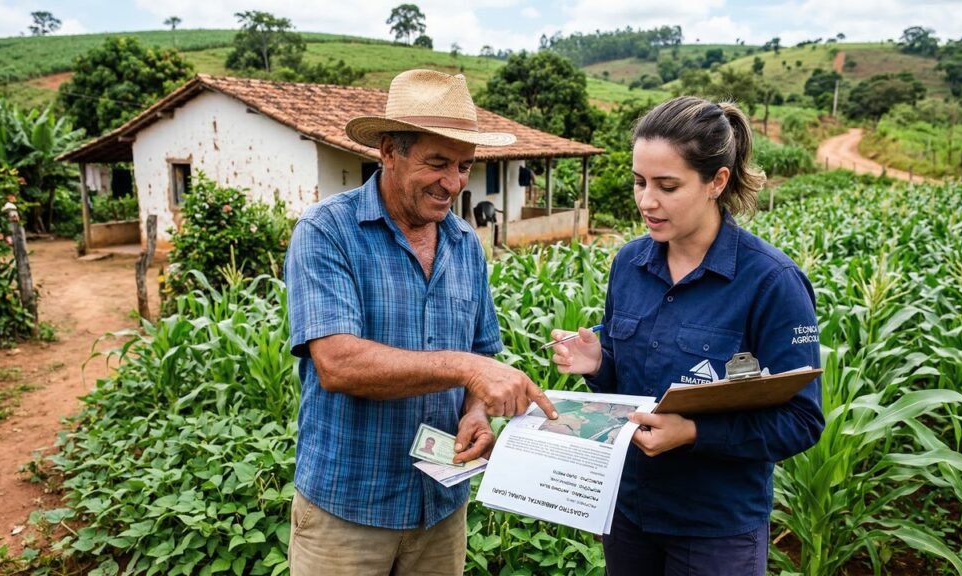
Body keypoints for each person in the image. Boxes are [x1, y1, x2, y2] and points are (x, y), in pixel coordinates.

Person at [284, 69, 556, 576]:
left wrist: (475, 411)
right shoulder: (327, 231)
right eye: (436, 163)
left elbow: (481, 349)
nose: (453, 183)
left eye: (463, 166)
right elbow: (338, 364)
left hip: (441, 507)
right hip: (348, 512)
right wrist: (464, 370)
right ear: (388, 150)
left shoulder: (464, 244)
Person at [549, 95, 824, 576]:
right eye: (639, 181)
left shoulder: (771, 283)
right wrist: (598, 364)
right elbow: (629, 388)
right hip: (630, 513)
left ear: (716, 181)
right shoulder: (629, 266)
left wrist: (695, 432)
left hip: (716, 528)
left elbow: (802, 420)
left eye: (667, 185)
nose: (645, 201)